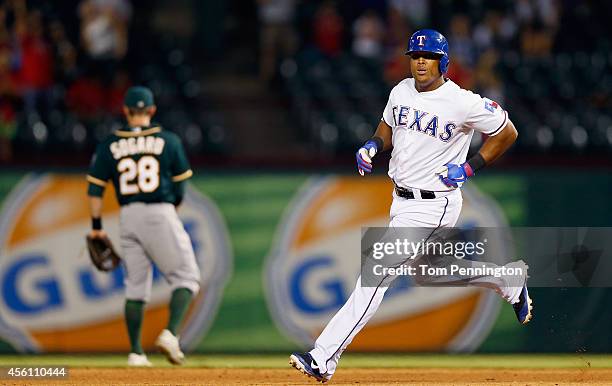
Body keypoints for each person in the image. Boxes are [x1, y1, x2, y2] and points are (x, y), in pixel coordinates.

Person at [289, 29, 532, 383]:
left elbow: (507, 132)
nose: (420, 61)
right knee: (427, 271)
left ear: (443, 61)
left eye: (428, 56)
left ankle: (323, 356)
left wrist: (469, 167)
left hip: (435, 203)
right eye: (415, 56)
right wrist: (372, 145)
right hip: (400, 199)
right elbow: (387, 124)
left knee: (376, 272)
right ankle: (508, 280)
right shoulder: (400, 90)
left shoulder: (462, 101)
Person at [86, 86, 200, 367]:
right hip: (158, 210)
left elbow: (94, 189)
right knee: (187, 278)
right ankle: (171, 334)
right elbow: (181, 181)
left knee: (136, 287)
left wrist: (97, 226)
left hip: (128, 216)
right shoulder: (168, 140)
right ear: (151, 110)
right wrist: (171, 208)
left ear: (125, 111)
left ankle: (136, 353)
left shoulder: (110, 143)